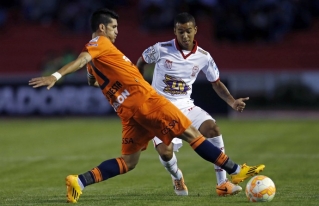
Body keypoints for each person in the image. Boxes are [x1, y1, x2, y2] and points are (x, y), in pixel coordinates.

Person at [28, 8, 265, 203]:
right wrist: (55, 76)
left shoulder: (101, 56)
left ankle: (79, 181)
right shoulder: (99, 42)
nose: (117, 32)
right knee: (192, 134)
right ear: (102, 28)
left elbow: (91, 75)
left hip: (128, 113)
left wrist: (96, 73)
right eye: (114, 27)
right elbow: (82, 60)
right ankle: (235, 171)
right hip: (146, 101)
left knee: (128, 162)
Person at [136, 12, 253, 196]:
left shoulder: (204, 57)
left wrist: (232, 101)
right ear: (174, 31)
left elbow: (216, 82)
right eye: (180, 31)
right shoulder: (160, 49)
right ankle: (177, 176)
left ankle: (222, 185)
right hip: (160, 110)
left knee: (213, 129)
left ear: (195, 30)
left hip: (186, 107)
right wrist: (141, 88)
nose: (184, 35)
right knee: (166, 153)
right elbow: (141, 62)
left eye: (188, 31)